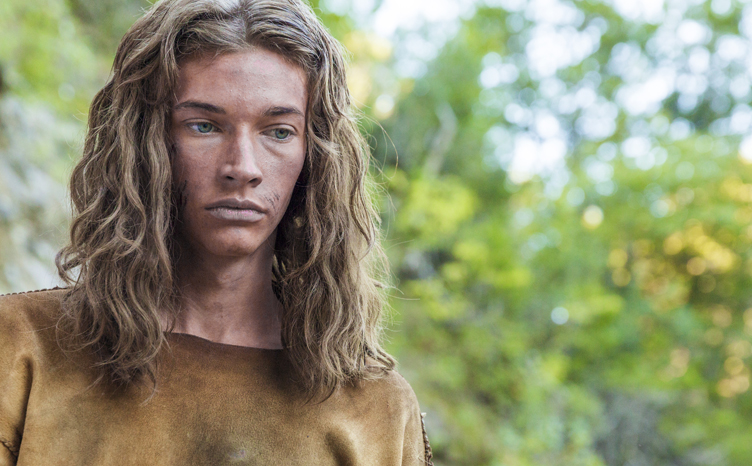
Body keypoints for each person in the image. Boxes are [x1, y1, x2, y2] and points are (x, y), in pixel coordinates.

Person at [0, 0, 433, 464]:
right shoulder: (24, 347)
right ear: (146, 144)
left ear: (315, 158)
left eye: (279, 131)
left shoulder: (378, 408)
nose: (242, 168)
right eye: (204, 126)